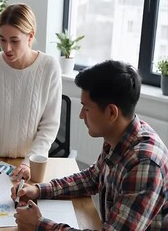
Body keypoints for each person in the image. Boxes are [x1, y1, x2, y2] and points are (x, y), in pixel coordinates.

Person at [12, 60, 168, 230]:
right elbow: (92, 178)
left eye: (86, 108)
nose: (80, 115)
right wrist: (39, 190)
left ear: (111, 112)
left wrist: (39, 224)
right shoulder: (120, 136)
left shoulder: (145, 164)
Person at [0, 4, 62, 179]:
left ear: (30, 37)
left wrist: (29, 162)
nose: (7, 48)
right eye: (2, 39)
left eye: (14, 41)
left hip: (31, 165)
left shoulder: (49, 67)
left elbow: (49, 125)